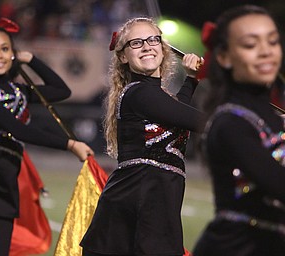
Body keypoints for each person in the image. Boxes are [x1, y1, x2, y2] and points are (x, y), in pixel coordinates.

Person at [0, 18, 94, 256]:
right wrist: (69, 144)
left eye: (5, 49)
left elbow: (61, 90)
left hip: (2, 182)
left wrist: (31, 59)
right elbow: (19, 129)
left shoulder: (20, 91)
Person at [80, 17, 205, 256]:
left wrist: (191, 78)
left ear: (163, 47)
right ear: (124, 56)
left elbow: (177, 111)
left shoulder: (156, 98)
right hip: (135, 210)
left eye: (152, 39)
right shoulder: (139, 94)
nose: (147, 46)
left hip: (152, 205)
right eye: (136, 43)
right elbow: (198, 121)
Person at [192, 5, 285, 256]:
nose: (266, 51)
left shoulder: (273, 118)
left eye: (272, 41)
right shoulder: (230, 122)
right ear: (224, 57)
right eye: (250, 44)